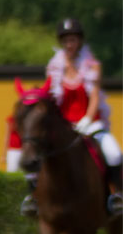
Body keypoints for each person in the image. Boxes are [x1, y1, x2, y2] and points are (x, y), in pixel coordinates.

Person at [20, 17, 122, 217]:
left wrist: (87, 118)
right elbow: (52, 97)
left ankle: (116, 196)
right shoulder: (53, 67)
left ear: (80, 41)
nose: (69, 44)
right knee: (36, 152)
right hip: (63, 126)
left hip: (90, 124)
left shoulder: (93, 65)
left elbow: (94, 96)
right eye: (66, 40)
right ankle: (33, 198)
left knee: (114, 152)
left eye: (73, 40)